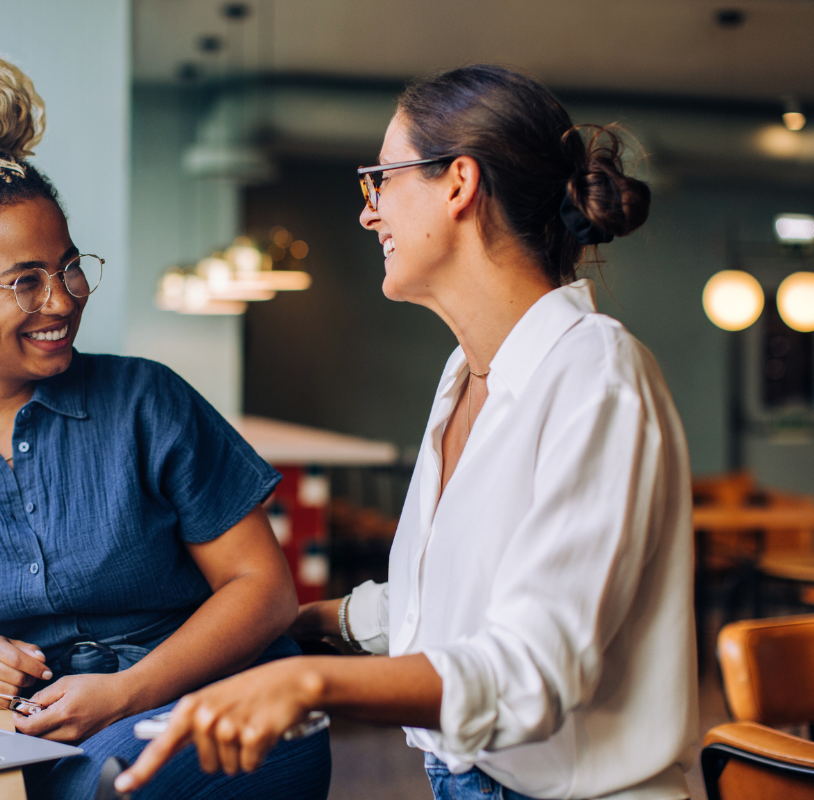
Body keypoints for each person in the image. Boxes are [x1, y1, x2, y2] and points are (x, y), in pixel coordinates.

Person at [117, 64, 696, 800]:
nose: (369, 213)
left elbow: (533, 669)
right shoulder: (465, 373)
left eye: (380, 181)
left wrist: (310, 680)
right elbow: (451, 598)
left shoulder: (596, 372)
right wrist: (297, 626)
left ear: (458, 183)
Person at [0, 50, 331, 800]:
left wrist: (127, 691)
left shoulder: (149, 401)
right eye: (26, 281)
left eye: (69, 266)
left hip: (229, 701)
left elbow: (264, 589)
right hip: (43, 726)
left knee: (97, 790)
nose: (64, 299)